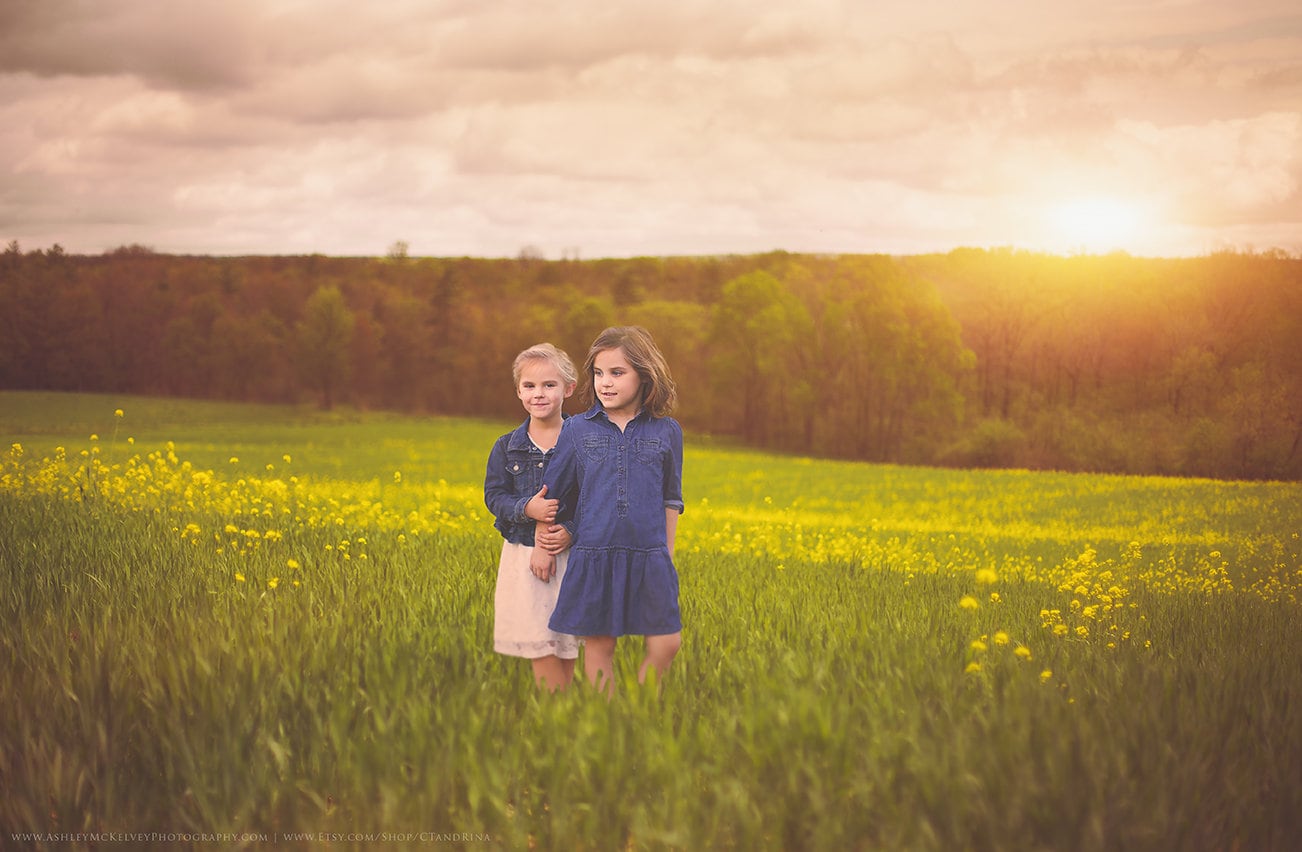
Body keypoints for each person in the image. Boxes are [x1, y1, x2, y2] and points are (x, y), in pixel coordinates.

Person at [542, 326, 684, 696]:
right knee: (601, 646)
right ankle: (610, 723)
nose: (605, 383)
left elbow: (672, 497)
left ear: (644, 374)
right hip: (595, 554)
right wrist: (549, 538)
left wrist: (668, 553)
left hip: (650, 555)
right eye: (599, 373)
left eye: (617, 373)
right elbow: (554, 494)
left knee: (667, 643)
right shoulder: (576, 429)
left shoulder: (667, 431)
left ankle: (640, 707)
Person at [484, 343, 581, 691]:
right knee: (540, 641)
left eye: (549, 385)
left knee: (565, 645)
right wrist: (527, 509)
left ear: (568, 389)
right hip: (525, 557)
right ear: (518, 391)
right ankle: (555, 722)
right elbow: (494, 497)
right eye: (529, 386)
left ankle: (565, 717)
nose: (538, 394)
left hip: (571, 556)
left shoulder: (584, 442)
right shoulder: (506, 446)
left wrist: (569, 531)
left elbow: (594, 498)